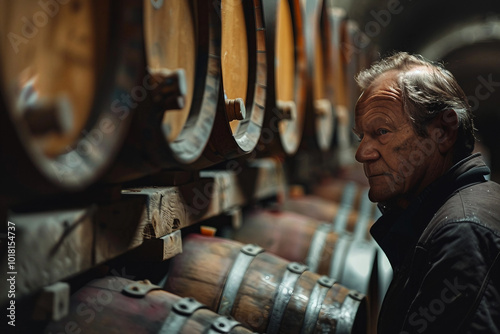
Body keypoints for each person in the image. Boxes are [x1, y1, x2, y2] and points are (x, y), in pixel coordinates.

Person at [353, 51, 500, 333]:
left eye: (381, 132)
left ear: (442, 132)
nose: (362, 153)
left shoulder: (462, 234)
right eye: (362, 136)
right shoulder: (458, 213)